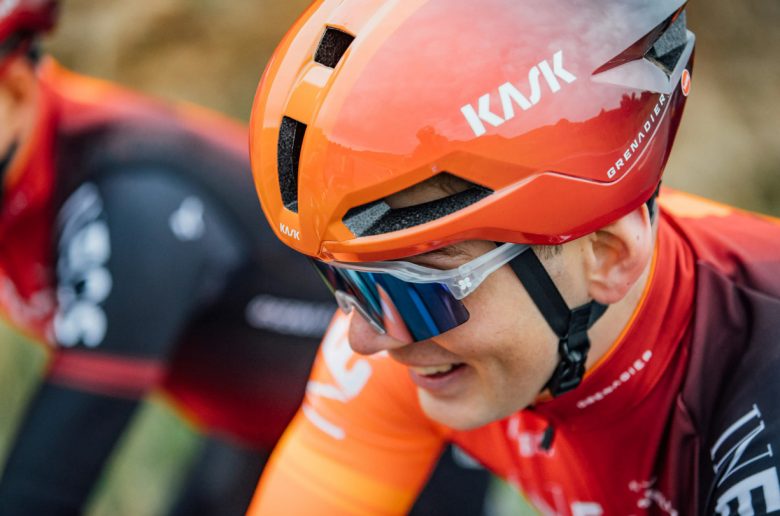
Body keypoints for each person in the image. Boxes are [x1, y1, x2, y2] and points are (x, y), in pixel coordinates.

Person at [246, 0, 780, 514]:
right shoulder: (416, 343)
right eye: (344, 280)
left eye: (413, 291)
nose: (364, 339)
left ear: (607, 255)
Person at [0, 2, 493, 514]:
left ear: (15, 88)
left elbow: (46, 484)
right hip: (261, 423)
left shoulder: (134, 200)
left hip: (398, 420)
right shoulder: (27, 172)